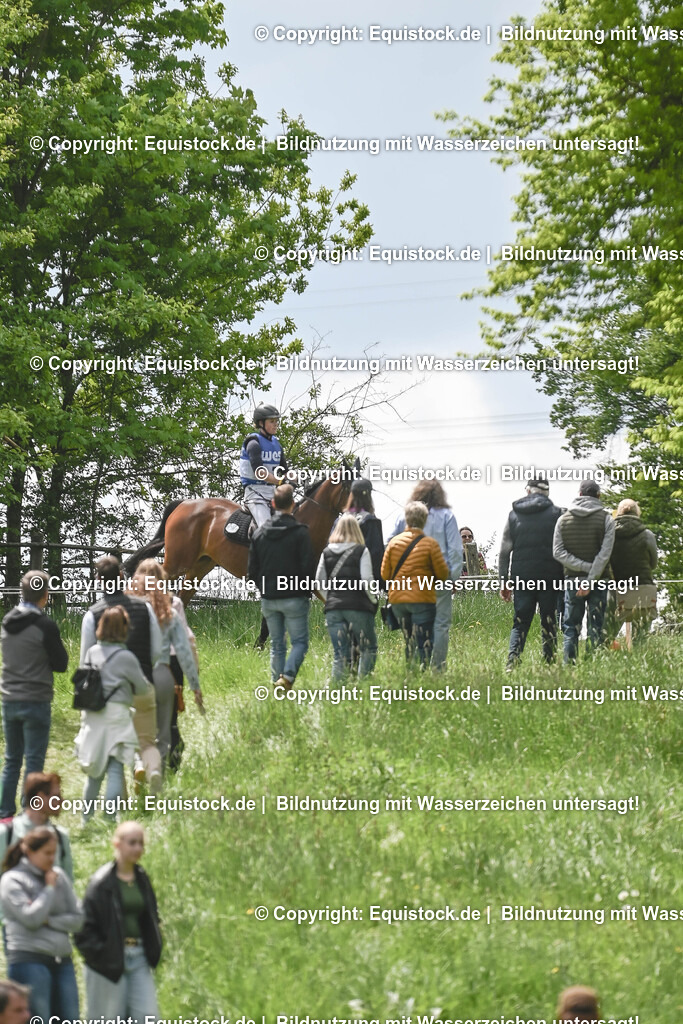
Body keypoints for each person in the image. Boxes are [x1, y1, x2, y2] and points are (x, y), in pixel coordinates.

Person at [81, 556, 162, 790]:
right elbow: (156, 651)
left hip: (108, 694)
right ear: (121, 577)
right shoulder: (144, 608)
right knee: (147, 741)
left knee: (115, 749)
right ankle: (151, 769)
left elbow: (87, 661)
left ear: (98, 580)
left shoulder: (92, 614)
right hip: (143, 684)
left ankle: (122, 803)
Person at [75, 822, 162, 1024]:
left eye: (141, 843)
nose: (138, 848)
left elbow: (151, 916)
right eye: (132, 843)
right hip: (109, 960)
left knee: (148, 1017)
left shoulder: (141, 878)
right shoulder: (101, 883)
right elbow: (83, 929)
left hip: (139, 957)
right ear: (117, 844)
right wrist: (103, 955)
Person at [1, 571, 69, 819]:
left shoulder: (7, 621)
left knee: (11, 760)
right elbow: (61, 663)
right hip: (36, 699)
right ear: (45, 595)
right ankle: (29, 813)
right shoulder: (45, 625)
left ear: (22, 592)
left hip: (9, 699)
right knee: (34, 761)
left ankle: (5, 813)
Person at [74, 607, 153, 813]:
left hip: (93, 714)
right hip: (118, 715)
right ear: (125, 629)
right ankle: (111, 818)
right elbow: (142, 688)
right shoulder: (127, 657)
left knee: (94, 773)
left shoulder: (92, 653)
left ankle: (86, 819)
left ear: (100, 627)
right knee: (116, 769)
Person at [0, 828, 82, 1021]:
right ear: (29, 851)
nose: (52, 858)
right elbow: (32, 918)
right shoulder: (12, 880)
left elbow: (78, 919)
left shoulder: (59, 876)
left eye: (54, 852)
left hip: (62, 960)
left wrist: (50, 920)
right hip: (29, 960)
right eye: (47, 853)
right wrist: (49, 888)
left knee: (70, 1018)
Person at [130, 560, 204, 771]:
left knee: (139, 717)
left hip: (137, 665)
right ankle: (168, 767)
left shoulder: (129, 604)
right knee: (169, 719)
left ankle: (141, 763)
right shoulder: (173, 603)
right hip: (171, 665)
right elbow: (187, 641)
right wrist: (195, 681)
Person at [247, 483, 315, 691]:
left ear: (273, 503)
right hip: (294, 597)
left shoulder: (259, 535)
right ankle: (287, 678)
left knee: (277, 645)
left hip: (269, 598)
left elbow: (252, 572)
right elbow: (308, 569)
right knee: (300, 643)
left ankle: (279, 687)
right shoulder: (301, 533)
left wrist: (265, 590)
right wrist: (305, 592)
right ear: (293, 504)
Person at [388, 481, 462, 670]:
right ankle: (437, 669)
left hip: (407, 584)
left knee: (412, 628)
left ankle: (414, 668)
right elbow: (454, 551)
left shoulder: (402, 517)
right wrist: (451, 579)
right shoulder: (447, 516)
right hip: (438, 580)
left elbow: (389, 544)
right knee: (440, 625)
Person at [498, 478, 564, 669]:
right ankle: (550, 663)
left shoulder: (514, 515)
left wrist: (504, 581)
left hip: (522, 578)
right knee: (549, 619)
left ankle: (512, 662)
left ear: (528, 492)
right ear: (547, 493)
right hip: (550, 578)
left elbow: (504, 551)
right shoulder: (557, 514)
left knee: (520, 621)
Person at [553, 480, 615, 663]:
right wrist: (591, 575)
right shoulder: (606, 519)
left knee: (571, 626)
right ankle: (593, 665)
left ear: (579, 494)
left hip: (572, 580)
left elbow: (557, 552)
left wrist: (580, 567)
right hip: (599, 580)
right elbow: (605, 554)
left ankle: (568, 665)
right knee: (596, 625)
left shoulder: (563, 519)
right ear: (599, 496)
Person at [381, 501, 449, 667]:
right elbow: (442, 574)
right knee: (424, 639)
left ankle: (410, 674)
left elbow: (384, 574)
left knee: (408, 638)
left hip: (398, 601)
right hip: (422, 599)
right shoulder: (430, 544)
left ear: (406, 519)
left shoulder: (394, 543)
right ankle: (422, 675)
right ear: (425, 520)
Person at [315, 514, 379, 680]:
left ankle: (337, 694)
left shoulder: (326, 552)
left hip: (334, 609)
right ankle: (363, 689)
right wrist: (374, 599)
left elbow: (318, 582)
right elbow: (367, 580)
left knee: (340, 655)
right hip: (358, 607)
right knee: (368, 649)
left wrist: (330, 598)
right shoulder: (361, 551)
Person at [0, 773, 73, 881]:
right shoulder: (6, 834)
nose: (62, 800)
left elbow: (67, 884)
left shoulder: (61, 836)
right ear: (40, 798)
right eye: (56, 796)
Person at [609, 498, 658, 644]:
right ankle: (638, 663)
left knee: (608, 635)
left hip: (617, 589)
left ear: (618, 513)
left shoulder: (610, 535)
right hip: (643, 587)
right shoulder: (647, 535)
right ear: (637, 513)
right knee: (640, 639)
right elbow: (653, 564)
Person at [239, 404, 289, 528]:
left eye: (276, 421)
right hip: (255, 494)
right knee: (266, 528)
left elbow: (285, 471)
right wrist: (281, 481)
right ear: (261, 423)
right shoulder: (253, 443)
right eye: (272, 421)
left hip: (273, 493)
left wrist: (295, 479)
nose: (275, 424)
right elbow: (260, 473)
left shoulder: (277, 445)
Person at [344, 478, 385, 584]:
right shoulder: (370, 521)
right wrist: (381, 583)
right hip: (362, 582)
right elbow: (376, 554)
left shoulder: (340, 521)